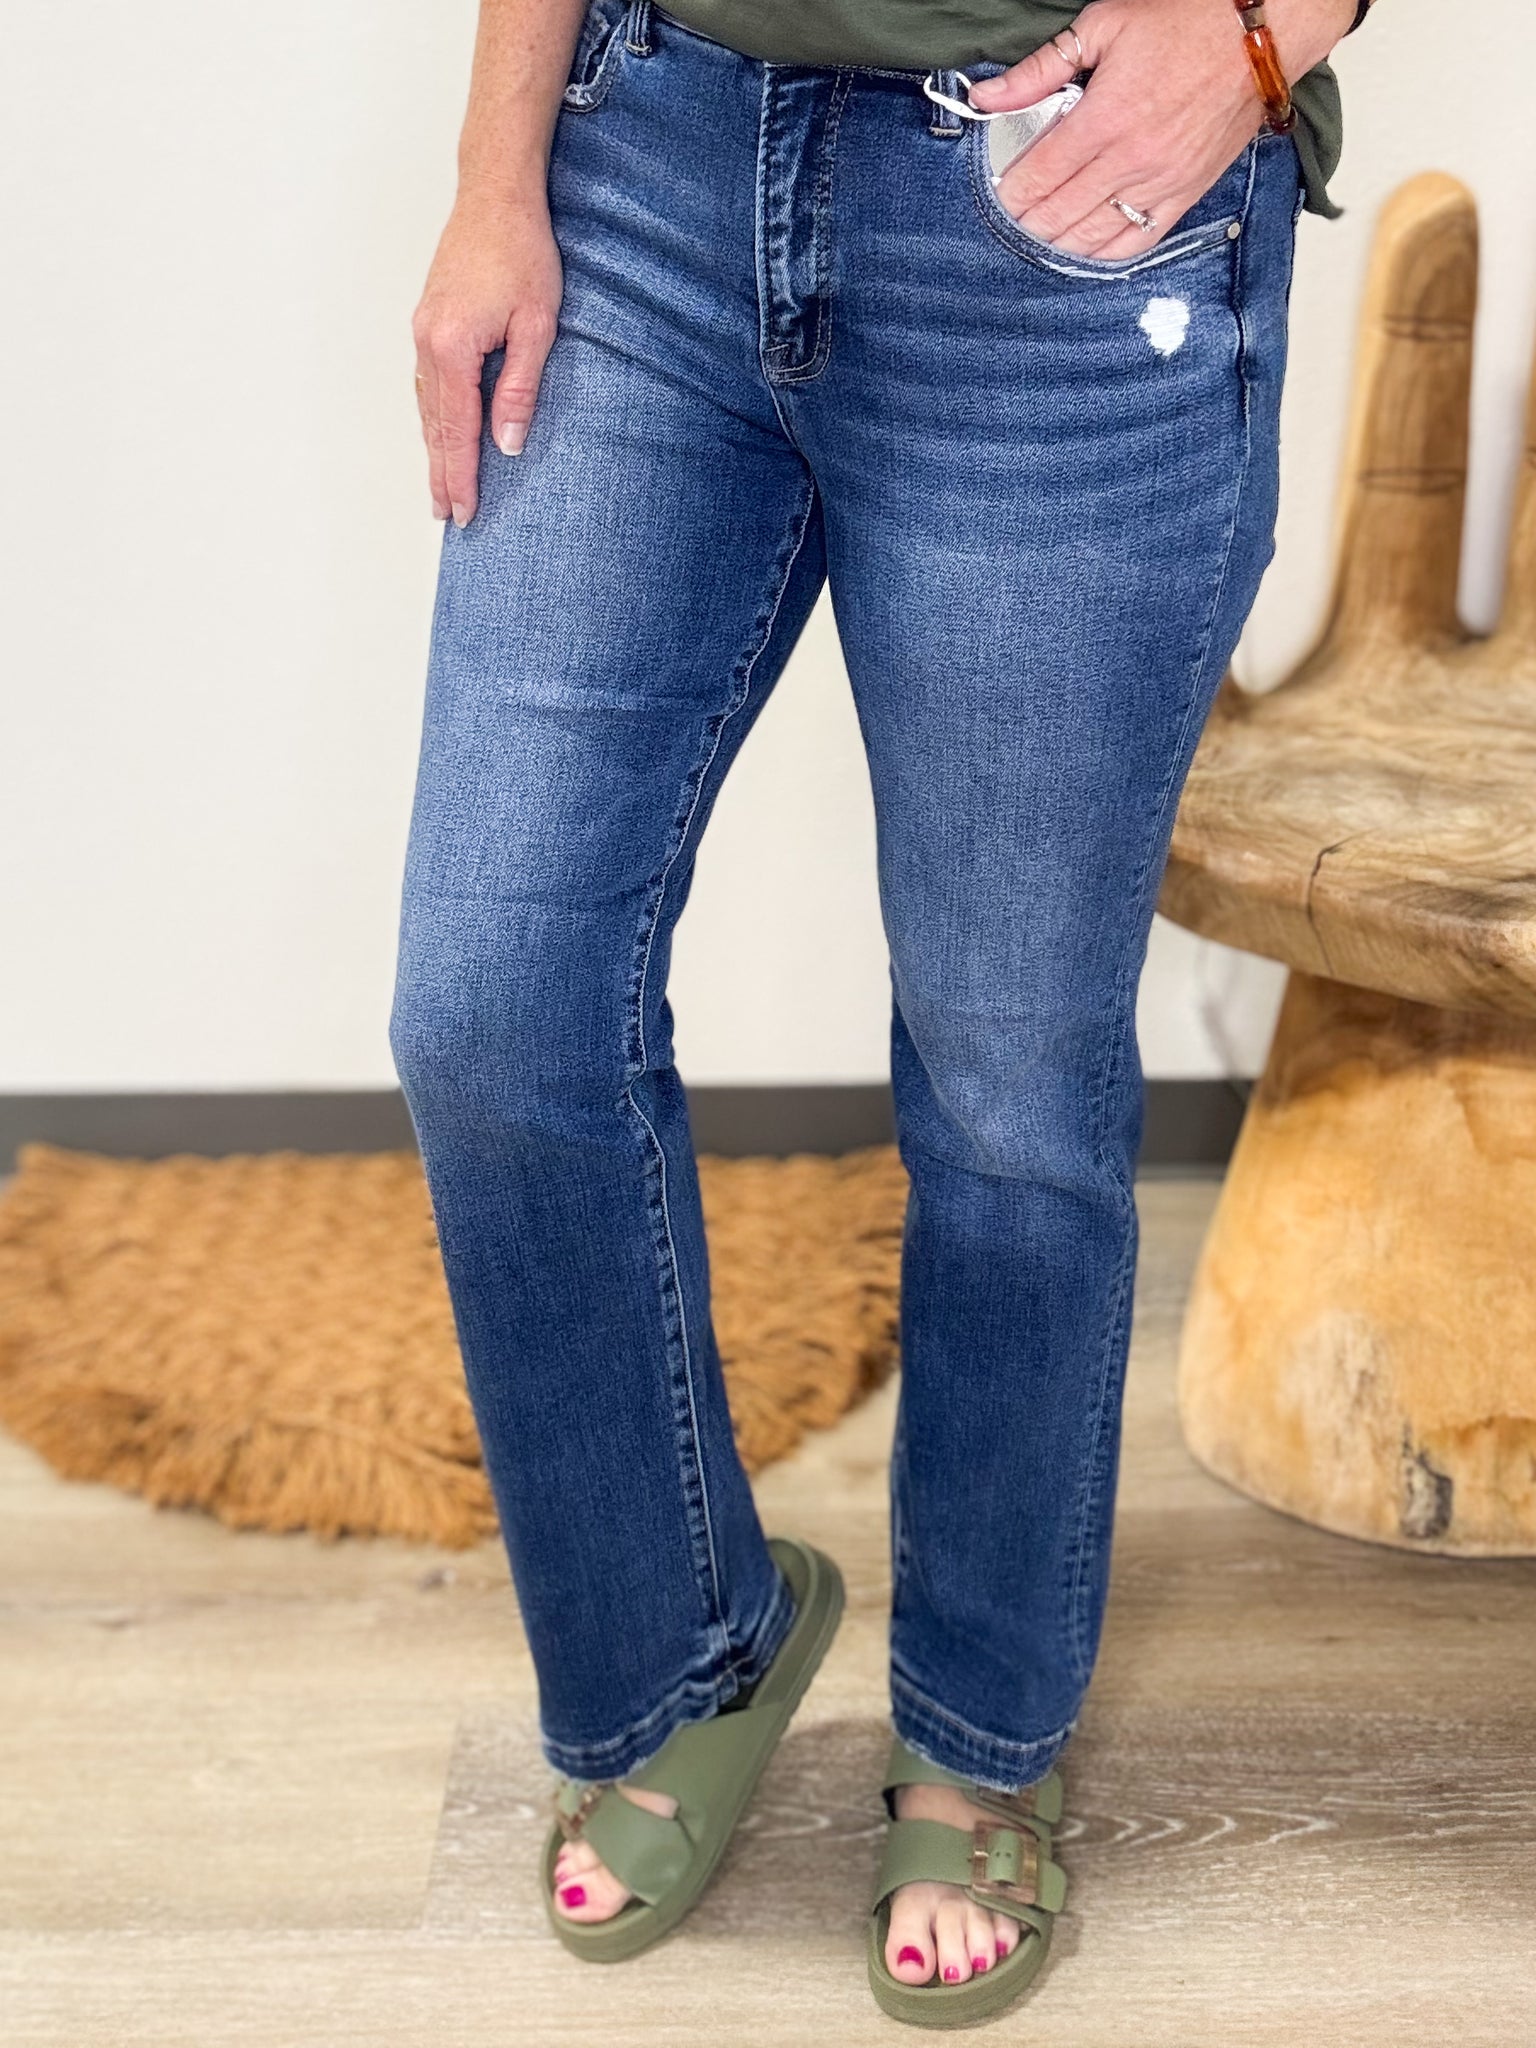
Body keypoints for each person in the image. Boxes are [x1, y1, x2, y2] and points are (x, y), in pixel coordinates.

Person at [390, 0, 1371, 2024]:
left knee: (1009, 1084)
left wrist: (1272, 27)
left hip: (1056, 212)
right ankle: (686, 1655)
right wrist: (495, 173)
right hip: (647, 155)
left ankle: (981, 1730)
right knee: (494, 1003)